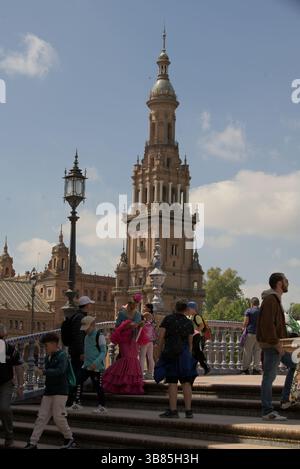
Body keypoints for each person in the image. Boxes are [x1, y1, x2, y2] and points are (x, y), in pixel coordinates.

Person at [24, 333, 77, 449]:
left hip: (60, 391)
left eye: (46, 346)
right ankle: (33, 442)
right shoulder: (50, 357)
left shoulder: (62, 355)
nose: (45, 348)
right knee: (41, 417)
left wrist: (43, 372)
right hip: (49, 391)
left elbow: (60, 371)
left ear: (54, 344)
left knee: (59, 417)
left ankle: (69, 438)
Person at [257, 273, 296, 420]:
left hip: (276, 344)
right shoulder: (270, 300)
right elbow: (268, 325)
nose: (287, 282)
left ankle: (286, 399)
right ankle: (267, 411)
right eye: (286, 280)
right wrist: (277, 344)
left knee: (295, 364)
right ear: (280, 283)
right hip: (273, 344)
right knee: (268, 377)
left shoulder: (274, 299)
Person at [154, 300, 197, 419]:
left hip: (170, 353)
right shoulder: (188, 323)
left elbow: (160, 338)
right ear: (185, 310)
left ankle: (173, 411)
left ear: (175, 308)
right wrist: (188, 356)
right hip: (184, 354)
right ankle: (188, 411)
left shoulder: (168, 319)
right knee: (186, 383)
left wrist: (158, 354)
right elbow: (190, 343)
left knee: (172, 382)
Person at [63, 296, 95, 408]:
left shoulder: (77, 316)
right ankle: (73, 399)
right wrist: (82, 352)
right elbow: (79, 336)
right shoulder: (80, 318)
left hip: (76, 350)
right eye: (89, 304)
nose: (91, 306)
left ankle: (74, 399)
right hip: (78, 352)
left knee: (78, 375)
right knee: (77, 376)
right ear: (86, 305)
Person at [71, 316, 107, 413]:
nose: (85, 330)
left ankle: (102, 406)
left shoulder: (100, 336)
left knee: (97, 386)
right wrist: (84, 356)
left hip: (96, 368)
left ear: (93, 325)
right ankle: (77, 402)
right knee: (78, 381)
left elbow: (103, 352)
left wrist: (95, 363)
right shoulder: (86, 337)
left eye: (87, 328)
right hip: (86, 366)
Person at [102, 317, 144, 395]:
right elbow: (116, 335)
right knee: (127, 359)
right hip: (124, 341)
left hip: (133, 343)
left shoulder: (134, 322)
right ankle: (123, 384)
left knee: (131, 360)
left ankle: (128, 385)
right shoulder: (126, 323)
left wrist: (138, 325)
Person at [0, 324, 24, 449]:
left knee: (4, 408)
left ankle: (9, 437)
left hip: (6, 383)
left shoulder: (10, 349)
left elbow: (19, 367)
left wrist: (21, 385)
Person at [186, 302, 210, 376]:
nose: (188, 310)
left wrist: (194, 332)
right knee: (194, 353)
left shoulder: (197, 316)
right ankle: (196, 369)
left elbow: (202, 326)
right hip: (193, 337)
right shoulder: (190, 317)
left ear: (193, 309)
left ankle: (205, 367)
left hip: (198, 337)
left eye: (189, 309)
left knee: (197, 352)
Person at [240, 297, 261, 375]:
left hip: (250, 333)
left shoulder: (249, 310)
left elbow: (246, 322)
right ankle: (256, 369)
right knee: (257, 352)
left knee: (247, 351)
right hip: (259, 334)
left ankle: (245, 369)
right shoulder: (262, 311)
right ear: (258, 303)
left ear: (252, 303)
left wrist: (243, 327)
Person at [139, 303, 156, 380]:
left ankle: (140, 374)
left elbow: (139, 319)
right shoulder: (153, 316)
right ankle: (150, 373)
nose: (143, 308)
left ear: (148, 309)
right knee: (150, 357)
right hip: (151, 339)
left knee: (142, 356)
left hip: (144, 338)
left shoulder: (146, 314)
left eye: (145, 307)